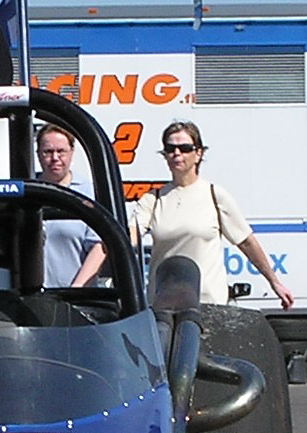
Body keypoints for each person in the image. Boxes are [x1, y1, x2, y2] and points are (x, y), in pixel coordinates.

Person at [75, 119, 293, 307]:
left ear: (198, 154)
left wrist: (274, 282)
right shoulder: (154, 198)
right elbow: (126, 237)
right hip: (163, 305)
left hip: (208, 304)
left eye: (185, 148)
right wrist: (107, 247)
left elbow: (246, 242)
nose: (177, 153)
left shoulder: (214, 195)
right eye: (170, 149)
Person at [35, 124, 98, 288]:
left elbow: (99, 248)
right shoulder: (24, 189)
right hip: (28, 300)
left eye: (61, 151)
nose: (55, 157)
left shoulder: (88, 193)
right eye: (48, 152)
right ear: (38, 155)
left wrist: (76, 289)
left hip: (75, 300)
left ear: (71, 152)